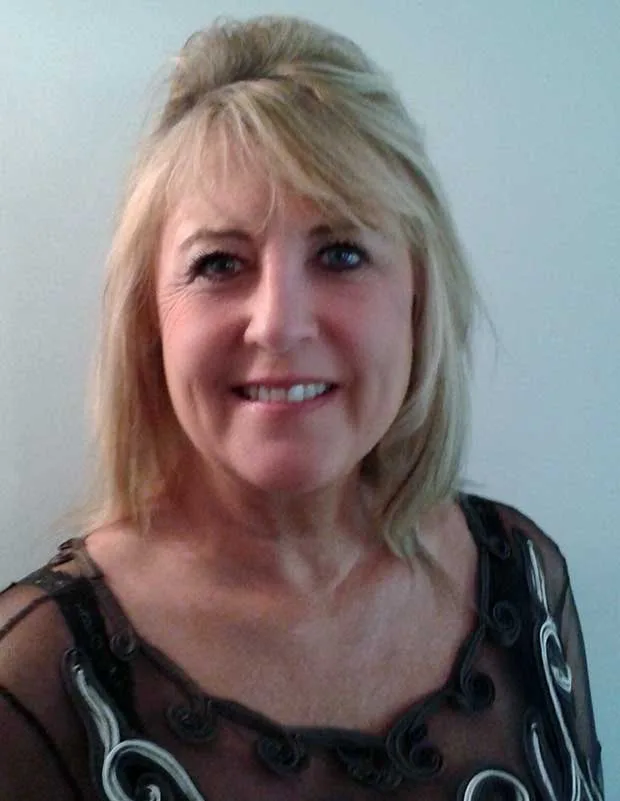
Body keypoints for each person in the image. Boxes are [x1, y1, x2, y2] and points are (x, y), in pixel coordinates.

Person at [0, 15, 604, 801]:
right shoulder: (33, 681)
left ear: (419, 298)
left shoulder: (527, 581)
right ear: (150, 321)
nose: (280, 325)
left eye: (341, 253)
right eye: (220, 263)